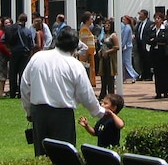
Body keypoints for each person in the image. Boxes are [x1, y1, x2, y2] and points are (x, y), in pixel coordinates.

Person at [20, 28, 107, 157]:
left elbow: (25, 86)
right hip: (62, 115)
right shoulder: (75, 65)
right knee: (64, 156)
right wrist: (100, 112)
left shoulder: (38, 57)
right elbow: (86, 95)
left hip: (39, 113)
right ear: (74, 48)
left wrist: (28, 111)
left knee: (41, 155)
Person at [5, 13, 34, 99]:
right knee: (22, 73)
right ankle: (21, 93)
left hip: (14, 52)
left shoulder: (11, 29)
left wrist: (9, 49)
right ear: (25, 21)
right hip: (24, 54)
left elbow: (4, 40)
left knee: (12, 73)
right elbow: (31, 45)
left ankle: (12, 92)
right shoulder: (28, 31)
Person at [150, 12, 168, 99]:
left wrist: (155, 40)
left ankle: (166, 91)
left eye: (158, 18)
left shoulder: (165, 29)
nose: (156, 20)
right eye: (155, 18)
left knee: (165, 73)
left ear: (162, 20)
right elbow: (148, 39)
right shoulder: (152, 29)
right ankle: (158, 92)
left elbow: (165, 39)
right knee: (157, 73)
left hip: (163, 54)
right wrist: (155, 40)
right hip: (155, 54)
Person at [98, 17, 119, 100]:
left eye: (108, 25)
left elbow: (117, 47)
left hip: (110, 59)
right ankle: (103, 94)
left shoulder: (113, 35)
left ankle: (111, 95)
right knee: (103, 77)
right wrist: (101, 51)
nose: (106, 26)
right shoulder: (105, 35)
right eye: (105, 24)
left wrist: (108, 52)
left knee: (110, 78)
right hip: (103, 58)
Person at [78, 11, 97, 86]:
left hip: (90, 53)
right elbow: (84, 43)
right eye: (91, 19)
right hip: (87, 54)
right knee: (88, 72)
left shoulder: (87, 29)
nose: (92, 20)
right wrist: (85, 55)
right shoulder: (84, 29)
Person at [134, 9, 153, 81]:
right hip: (139, 43)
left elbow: (150, 33)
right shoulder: (139, 24)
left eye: (141, 14)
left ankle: (148, 76)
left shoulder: (150, 23)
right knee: (141, 60)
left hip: (146, 44)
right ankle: (143, 75)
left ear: (145, 15)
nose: (139, 16)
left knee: (147, 60)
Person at [0, 17, 11, 97]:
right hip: (1, 54)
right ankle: (1, 91)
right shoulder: (1, 32)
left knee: (9, 72)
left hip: (9, 53)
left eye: (9, 23)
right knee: (1, 73)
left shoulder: (12, 31)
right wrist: (9, 52)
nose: (7, 24)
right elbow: (1, 45)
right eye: (6, 23)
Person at [120, 15, 138, 83]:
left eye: (124, 19)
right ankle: (131, 75)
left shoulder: (127, 27)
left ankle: (133, 75)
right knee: (126, 62)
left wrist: (122, 45)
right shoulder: (127, 27)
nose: (123, 21)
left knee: (127, 62)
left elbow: (125, 38)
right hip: (127, 46)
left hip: (127, 47)